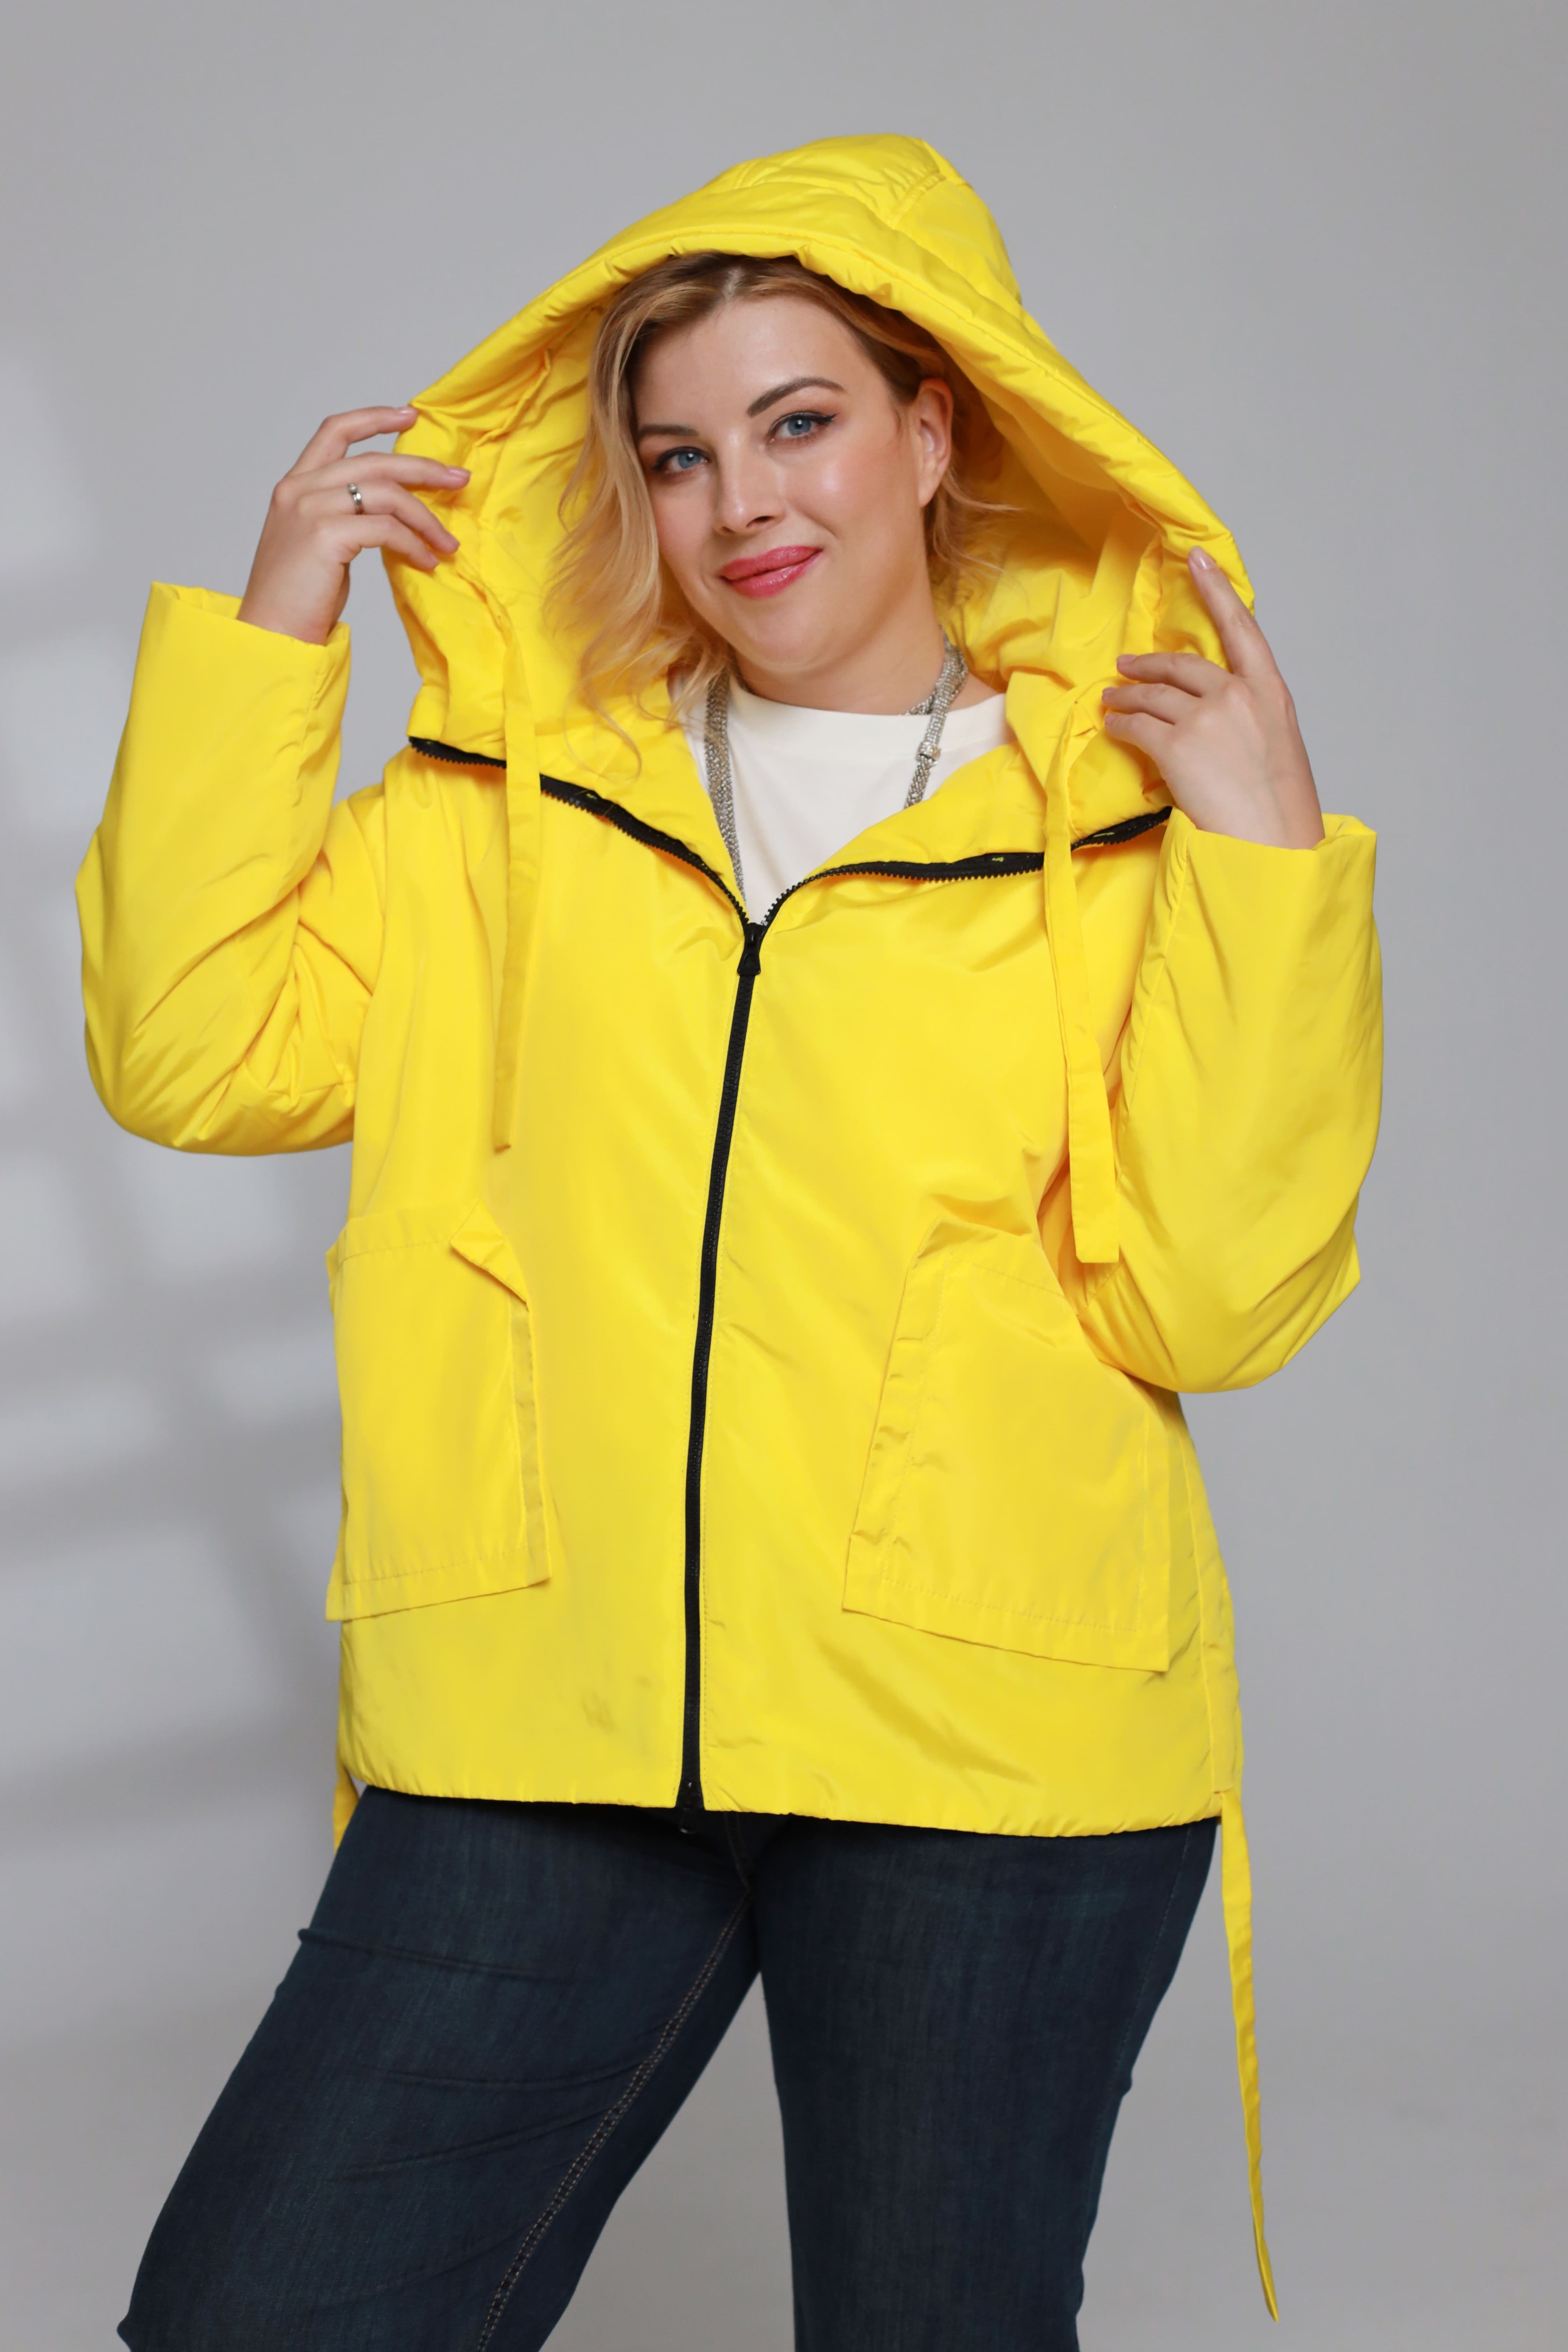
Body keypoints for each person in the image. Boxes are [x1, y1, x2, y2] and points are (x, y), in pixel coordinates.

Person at [80, 135, 1381, 2352]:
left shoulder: (1118, 830)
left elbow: (1214, 1298)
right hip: (545, 1718)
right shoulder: (506, 806)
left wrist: (1266, 868)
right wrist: (273, 634)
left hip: (987, 1742)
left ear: (932, 432)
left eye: (798, 423)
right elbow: (188, 1053)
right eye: (678, 456)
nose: (740, 502)